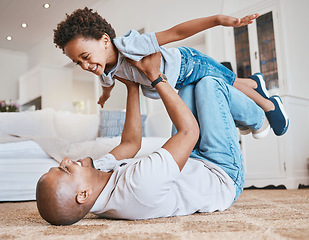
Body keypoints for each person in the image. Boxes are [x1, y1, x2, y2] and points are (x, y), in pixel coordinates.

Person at [36, 52, 267, 225]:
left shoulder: (97, 180)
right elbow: (190, 132)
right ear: (82, 195)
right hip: (221, 173)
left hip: (193, 161)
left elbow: (130, 143)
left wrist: (132, 87)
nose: (66, 160)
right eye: (65, 170)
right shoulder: (138, 188)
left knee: (190, 83)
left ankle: (241, 103)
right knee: (209, 84)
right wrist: (155, 76)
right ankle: (262, 114)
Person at [53, 7, 289, 137]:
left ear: (105, 40)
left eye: (85, 57)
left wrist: (218, 20)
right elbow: (107, 84)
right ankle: (255, 82)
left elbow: (175, 33)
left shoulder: (132, 45)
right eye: (78, 63)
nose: (85, 66)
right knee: (226, 83)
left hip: (188, 62)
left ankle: (269, 105)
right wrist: (104, 97)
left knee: (225, 82)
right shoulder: (105, 70)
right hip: (179, 80)